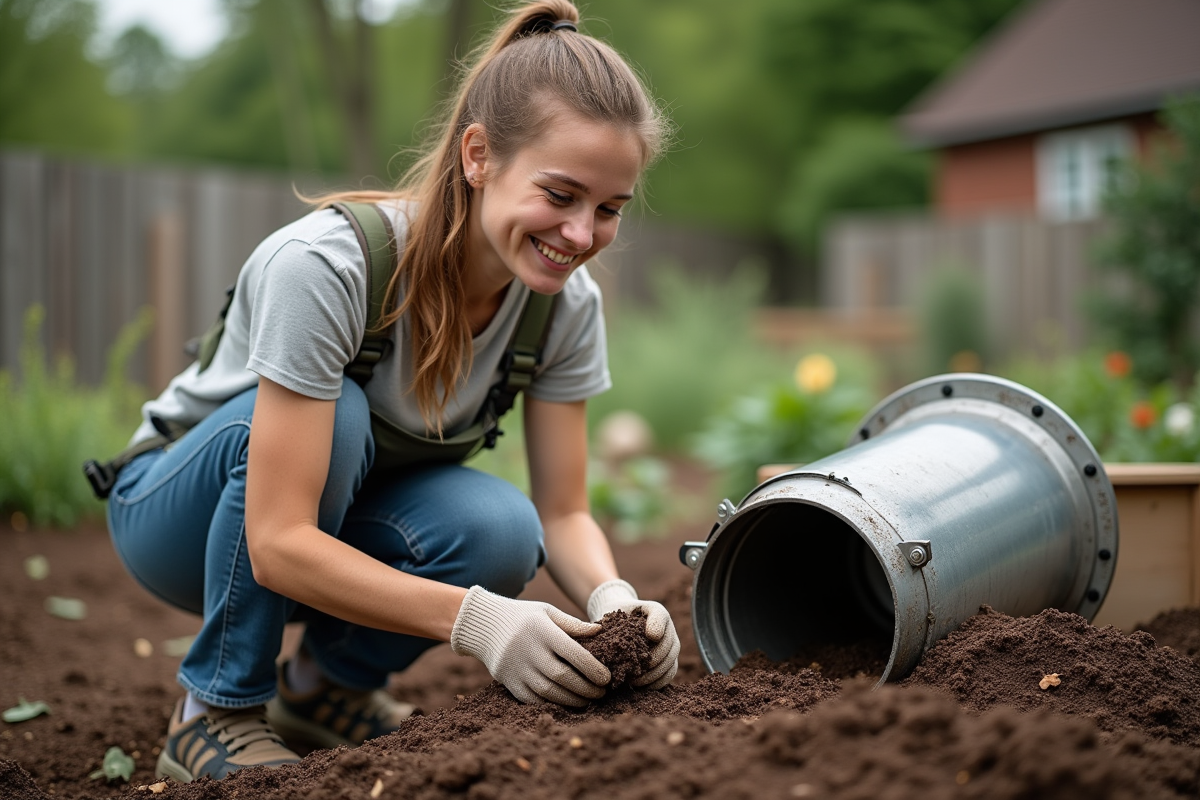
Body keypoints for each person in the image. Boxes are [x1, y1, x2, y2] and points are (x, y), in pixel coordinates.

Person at [104, 0, 678, 783]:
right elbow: (275, 541)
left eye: (608, 209)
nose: (581, 235)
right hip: (181, 516)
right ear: (479, 155)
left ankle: (323, 691)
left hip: (332, 524)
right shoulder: (329, 268)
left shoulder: (565, 309)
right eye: (561, 194)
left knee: (502, 528)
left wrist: (616, 600)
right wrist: (478, 622)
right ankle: (215, 713)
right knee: (338, 416)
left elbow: (564, 511)